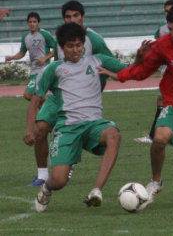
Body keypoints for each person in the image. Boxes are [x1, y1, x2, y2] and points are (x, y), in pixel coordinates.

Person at [98, 6, 173, 206]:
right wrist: (123, 72)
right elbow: (143, 70)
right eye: (170, 29)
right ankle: (156, 181)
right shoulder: (164, 45)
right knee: (159, 138)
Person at [24, 22, 128, 212]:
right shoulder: (54, 69)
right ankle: (47, 187)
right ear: (62, 48)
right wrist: (29, 130)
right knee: (59, 180)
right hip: (67, 128)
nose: (76, 50)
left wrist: (144, 58)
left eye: (79, 45)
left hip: (94, 124)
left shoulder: (98, 61)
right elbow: (34, 100)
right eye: (71, 46)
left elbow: (128, 70)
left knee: (113, 134)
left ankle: (96, 191)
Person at [28, 0, 114, 186]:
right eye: (68, 16)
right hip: (58, 95)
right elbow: (58, 68)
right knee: (40, 128)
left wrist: (97, 86)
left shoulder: (94, 39)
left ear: (83, 17)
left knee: (79, 127)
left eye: (76, 16)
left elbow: (108, 63)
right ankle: (42, 174)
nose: (72, 19)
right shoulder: (61, 37)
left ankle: (67, 153)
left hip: (81, 98)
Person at [135, 0, 173, 144]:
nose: (168, 14)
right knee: (165, 100)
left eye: (171, 11)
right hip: (167, 69)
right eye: (166, 11)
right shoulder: (161, 29)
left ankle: (154, 135)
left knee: (164, 99)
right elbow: (157, 47)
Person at [5, 12, 56, 101]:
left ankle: (49, 103)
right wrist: (12, 57)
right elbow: (22, 52)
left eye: (34, 22)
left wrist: (45, 59)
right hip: (33, 71)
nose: (32, 24)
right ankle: (46, 111)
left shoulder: (44, 34)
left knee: (28, 95)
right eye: (30, 22)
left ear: (38, 23)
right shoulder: (26, 36)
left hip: (43, 70)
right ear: (27, 23)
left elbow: (57, 48)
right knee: (38, 98)